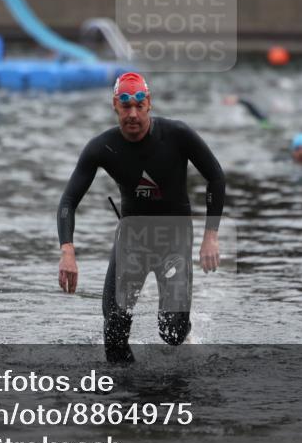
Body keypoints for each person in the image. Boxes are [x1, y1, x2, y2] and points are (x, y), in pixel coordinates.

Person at [57, 73, 226, 363]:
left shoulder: (178, 135)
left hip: (173, 238)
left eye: (139, 105)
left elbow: (216, 177)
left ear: (148, 104)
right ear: (115, 106)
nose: (132, 114)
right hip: (132, 239)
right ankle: (125, 398)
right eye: (126, 107)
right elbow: (68, 201)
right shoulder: (102, 147)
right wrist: (67, 251)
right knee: (114, 332)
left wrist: (210, 235)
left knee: (171, 334)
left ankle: (183, 332)